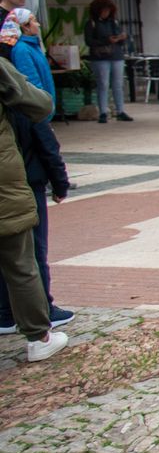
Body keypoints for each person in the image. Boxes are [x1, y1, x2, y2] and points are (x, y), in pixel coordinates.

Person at [0, 32, 73, 332]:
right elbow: (40, 106)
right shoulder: (10, 62)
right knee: (23, 260)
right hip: (11, 179)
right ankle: (38, 335)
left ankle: (6, 316)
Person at [84, 0, 132, 124]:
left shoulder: (114, 22)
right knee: (103, 84)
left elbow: (121, 39)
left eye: (108, 10)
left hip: (116, 55)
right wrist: (106, 40)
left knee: (118, 84)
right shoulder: (92, 24)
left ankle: (120, 110)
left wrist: (121, 38)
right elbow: (89, 41)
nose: (106, 13)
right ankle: (103, 111)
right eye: (104, 10)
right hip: (100, 57)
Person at [1, 10, 54, 101]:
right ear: (25, 27)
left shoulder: (32, 46)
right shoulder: (22, 49)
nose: (38, 24)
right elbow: (32, 82)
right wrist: (42, 104)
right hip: (38, 108)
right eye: (34, 21)